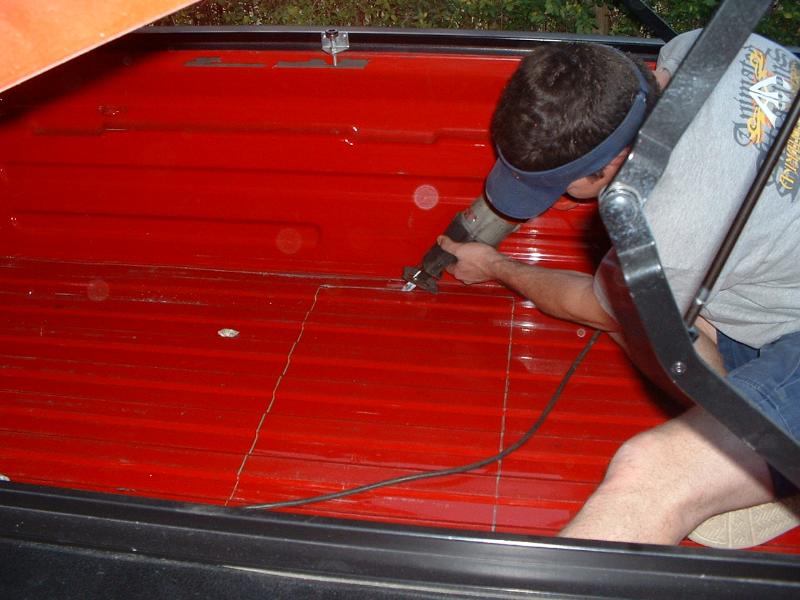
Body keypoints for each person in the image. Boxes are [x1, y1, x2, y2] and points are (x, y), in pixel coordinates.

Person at [438, 30, 800, 548]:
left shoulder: (669, 226)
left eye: (563, 185)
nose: (559, 196)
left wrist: (495, 266)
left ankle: (763, 467)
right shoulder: (707, 45)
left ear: (612, 164)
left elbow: (591, 304)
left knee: (649, 474)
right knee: (662, 314)